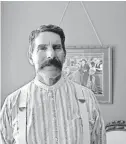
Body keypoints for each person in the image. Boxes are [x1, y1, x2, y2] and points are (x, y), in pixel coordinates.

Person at [0, 24, 106, 144]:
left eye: (56, 47)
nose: (51, 54)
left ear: (64, 55)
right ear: (31, 57)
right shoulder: (12, 103)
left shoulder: (87, 98)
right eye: (42, 48)